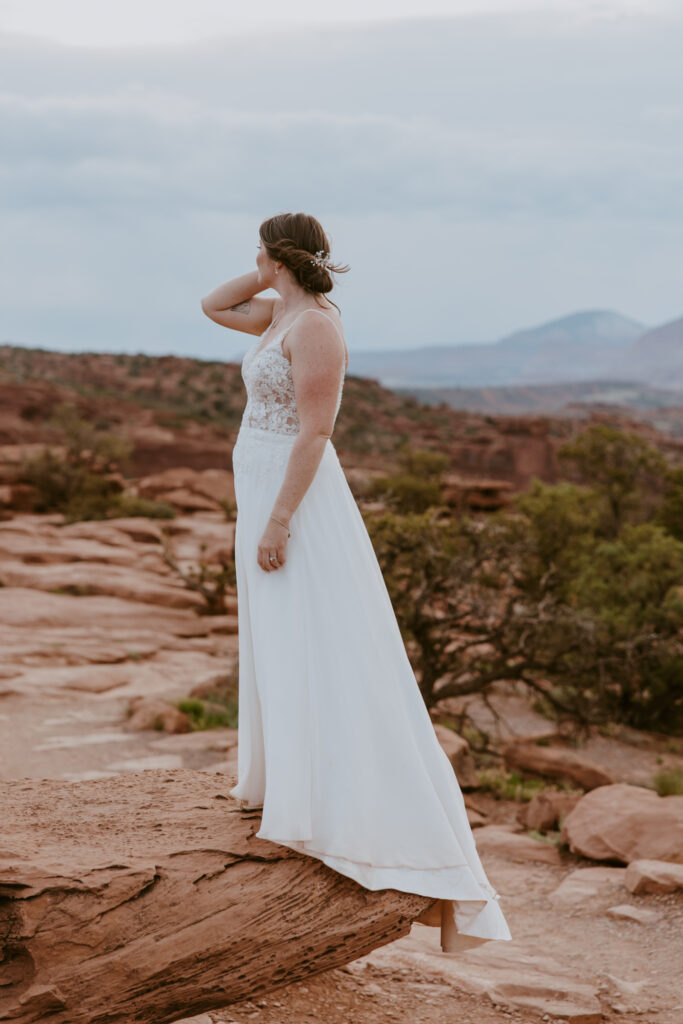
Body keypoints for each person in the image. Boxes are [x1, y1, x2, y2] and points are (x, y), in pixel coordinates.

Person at [201, 211, 512, 953]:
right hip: (260, 478)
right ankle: (285, 782)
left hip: (292, 494)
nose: (252, 262)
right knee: (277, 629)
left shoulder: (316, 328)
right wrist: (271, 266)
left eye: (260, 252)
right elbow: (213, 306)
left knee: (313, 627)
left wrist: (279, 521)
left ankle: (330, 803)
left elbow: (314, 431)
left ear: (278, 255)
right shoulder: (280, 312)